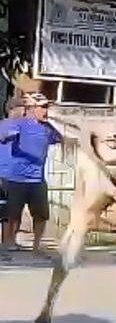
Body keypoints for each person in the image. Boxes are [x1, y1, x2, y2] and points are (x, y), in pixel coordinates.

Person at [0, 92, 62, 255]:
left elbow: (61, 138)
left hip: (37, 179)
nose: (46, 111)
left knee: (41, 215)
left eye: (47, 107)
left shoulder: (48, 128)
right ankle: (8, 244)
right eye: (42, 107)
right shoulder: (17, 124)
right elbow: (3, 135)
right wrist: (7, 136)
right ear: (32, 108)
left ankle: (36, 246)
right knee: (13, 214)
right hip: (15, 178)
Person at [0, 97, 25, 250]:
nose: (24, 111)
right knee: (6, 209)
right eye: (23, 108)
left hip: (19, 175)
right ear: (13, 109)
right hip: (4, 174)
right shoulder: (5, 125)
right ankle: (6, 241)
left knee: (16, 209)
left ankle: (11, 241)